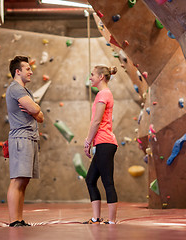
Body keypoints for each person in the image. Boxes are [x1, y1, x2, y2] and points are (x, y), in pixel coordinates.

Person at [6, 55, 44, 227]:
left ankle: (19, 219)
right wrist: (34, 110)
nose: (31, 71)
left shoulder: (25, 91)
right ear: (17, 71)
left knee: (24, 180)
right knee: (17, 180)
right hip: (21, 136)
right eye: (27, 69)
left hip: (30, 137)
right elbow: (34, 109)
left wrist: (35, 110)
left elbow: (40, 116)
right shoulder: (15, 88)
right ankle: (14, 220)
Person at [83, 65, 118, 225]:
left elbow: (96, 121)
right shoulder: (102, 94)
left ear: (101, 77)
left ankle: (111, 220)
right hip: (102, 142)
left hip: (105, 142)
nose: (90, 77)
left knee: (107, 181)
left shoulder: (104, 93)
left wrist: (87, 141)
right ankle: (96, 218)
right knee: (90, 179)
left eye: (92, 75)